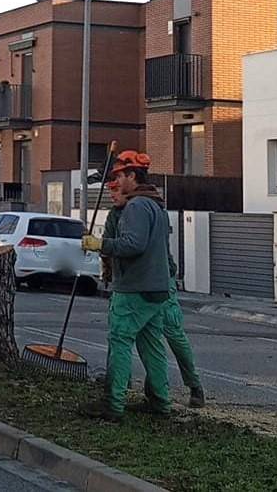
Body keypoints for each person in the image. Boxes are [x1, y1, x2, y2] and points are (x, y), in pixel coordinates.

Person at [80, 150, 172, 421]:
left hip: (134, 288)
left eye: (118, 176)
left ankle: (113, 404)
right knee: (151, 345)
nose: (114, 183)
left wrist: (101, 245)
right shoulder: (156, 206)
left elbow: (133, 244)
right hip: (157, 288)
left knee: (119, 341)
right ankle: (160, 402)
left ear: (132, 176)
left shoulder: (136, 207)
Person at [102, 179, 205, 409]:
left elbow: (140, 246)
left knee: (171, 333)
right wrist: (108, 269)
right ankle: (139, 387)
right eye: (110, 191)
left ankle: (194, 385)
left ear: (129, 189)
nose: (113, 195)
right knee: (141, 336)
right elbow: (110, 247)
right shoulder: (116, 215)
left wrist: (168, 273)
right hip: (136, 282)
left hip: (158, 280)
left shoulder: (142, 208)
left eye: (116, 190)